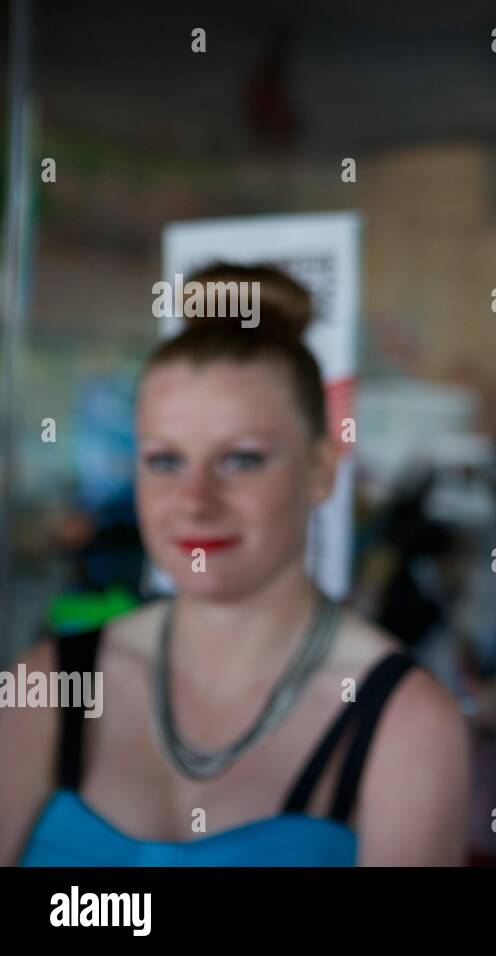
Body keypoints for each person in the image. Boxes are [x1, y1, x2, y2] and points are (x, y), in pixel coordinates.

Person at [0, 264, 470, 866]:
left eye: (242, 460)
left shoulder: (404, 722)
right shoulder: (43, 688)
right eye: (165, 461)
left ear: (321, 469)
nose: (196, 501)